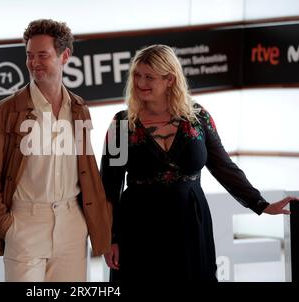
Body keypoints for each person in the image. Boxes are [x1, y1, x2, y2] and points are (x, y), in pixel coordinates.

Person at [100, 44, 297, 282]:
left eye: (149, 77)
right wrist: (109, 238)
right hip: (139, 226)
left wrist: (261, 204)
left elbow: (224, 167)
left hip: (190, 222)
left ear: (170, 79)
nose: (140, 82)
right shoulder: (120, 124)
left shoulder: (198, 117)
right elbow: (109, 186)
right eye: (137, 75)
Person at [0, 19, 112, 282]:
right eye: (30, 56)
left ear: (64, 56)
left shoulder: (79, 108)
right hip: (24, 224)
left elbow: (87, 170)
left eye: (43, 55)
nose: (34, 62)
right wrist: (7, 227)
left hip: (72, 226)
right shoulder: (5, 112)